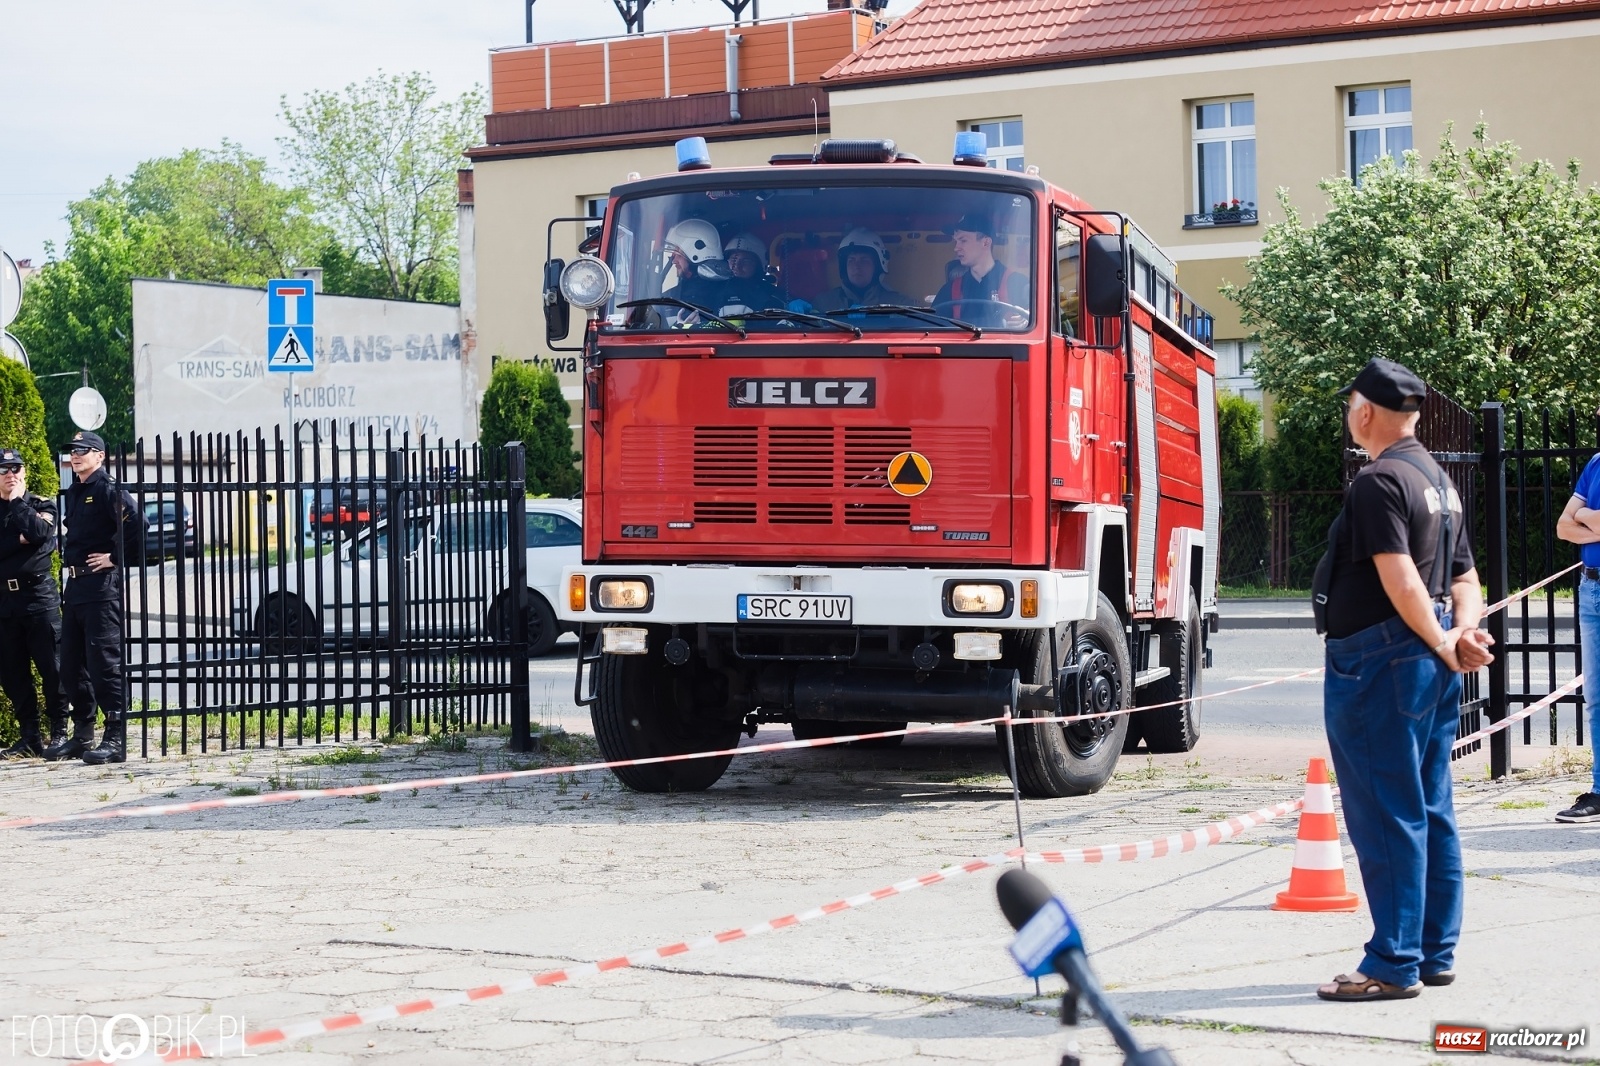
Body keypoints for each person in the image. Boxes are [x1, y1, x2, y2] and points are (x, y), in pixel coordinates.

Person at [1313, 358, 1495, 1002]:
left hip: (1381, 660)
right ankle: (1432, 952)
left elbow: (1400, 576)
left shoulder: (1378, 481)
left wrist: (1447, 638)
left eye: (1349, 406)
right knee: (1428, 805)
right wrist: (1461, 635)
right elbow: (1465, 578)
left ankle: (1392, 961)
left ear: (1364, 411)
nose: (1348, 417)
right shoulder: (1436, 478)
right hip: (1427, 657)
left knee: (1387, 813)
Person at [49, 430, 142, 765]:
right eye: (72, 451)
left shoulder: (107, 488)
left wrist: (115, 558)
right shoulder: (77, 489)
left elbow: (137, 525)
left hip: (101, 588)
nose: (75, 455)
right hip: (75, 588)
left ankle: (115, 737)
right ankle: (82, 734)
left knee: (104, 664)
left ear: (99, 456)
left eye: (83, 450)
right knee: (71, 664)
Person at [0, 447, 66, 760]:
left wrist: (16, 504)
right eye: (3, 470)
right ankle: (30, 737)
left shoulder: (42, 504)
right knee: (12, 672)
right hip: (4, 602)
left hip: (38, 598)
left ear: (24, 473)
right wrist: (20, 541)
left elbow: (41, 533)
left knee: (52, 668)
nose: (10, 475)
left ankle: (60, 731)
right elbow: (31, 538)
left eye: (15, 469)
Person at [1551, 435, 1600, 823]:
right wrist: (1587, 519)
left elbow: (1578, 519)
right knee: (1596, 697)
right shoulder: (1596, 464)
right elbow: (1563, 527)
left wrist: (1586, 516)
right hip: (1591, 586)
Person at [933, 214, 1028, 321]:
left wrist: (1024, 322)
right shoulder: (949, 290)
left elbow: (1041, 322)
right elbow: (932, 327)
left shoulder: (1018, 284)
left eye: (963, 240)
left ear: (986, 243)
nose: (956, 248)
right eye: (956, 241)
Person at [813, 228, 912, 311]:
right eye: (851, 260)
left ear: (877, 267)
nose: (857, 266)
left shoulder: (900, 305)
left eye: (864, 260)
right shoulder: (823, 304)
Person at [661, 218, 735, 316]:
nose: (674, 261)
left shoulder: (728, 293)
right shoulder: (670, 296)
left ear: (697, 254)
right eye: (673, 256)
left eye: (678, 255)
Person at [720, 233, 785, 312]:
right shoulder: (714, 290)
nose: (737, 266)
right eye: (733, 260)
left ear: (758, 265)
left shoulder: (771, 294)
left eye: (746, 261)